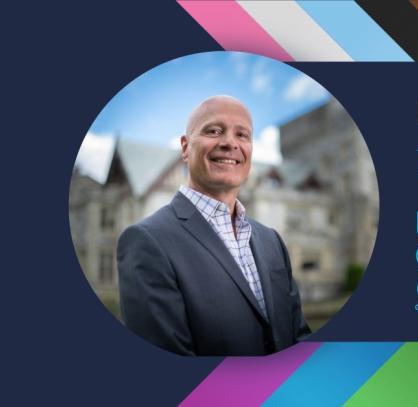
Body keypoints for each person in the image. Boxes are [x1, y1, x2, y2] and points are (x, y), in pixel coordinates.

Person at [117, 95, 310, 356]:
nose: (230, 142)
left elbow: (299, 337)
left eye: (242, 135)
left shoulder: (271, 240)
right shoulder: (147, 241)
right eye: (214, 131)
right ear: (186, 147)